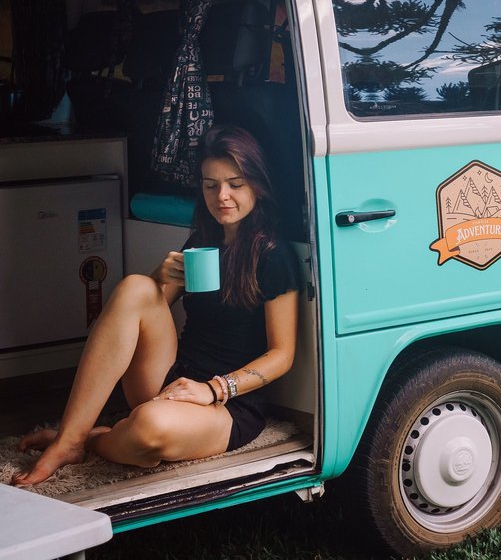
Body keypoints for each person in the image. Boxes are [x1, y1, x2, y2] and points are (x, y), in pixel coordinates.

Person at [13, 126, 301, 486]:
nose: (222, 196)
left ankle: (93, 438)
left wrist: (213, 389)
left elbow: (282, 354)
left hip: (227, 403)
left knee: (149, 428)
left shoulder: (273, 255)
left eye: (235, 184)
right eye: (210, 185)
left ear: (257, 185)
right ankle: (69, 439)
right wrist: (160, 276)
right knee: (136, 286)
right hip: (172, 379)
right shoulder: (204, 239)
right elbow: (138, 315)